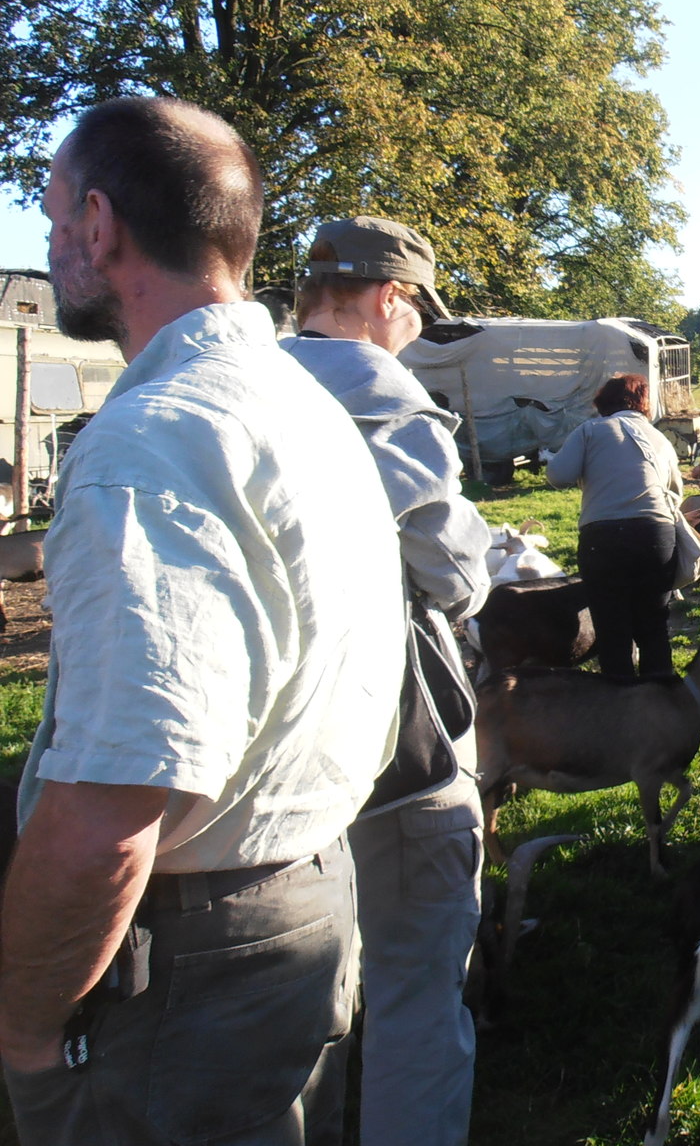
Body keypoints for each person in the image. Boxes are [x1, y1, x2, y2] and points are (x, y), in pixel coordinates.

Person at [0, 97, 405, 1144]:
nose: (50, 252)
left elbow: (110, 809)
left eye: (50, 223)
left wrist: (25, 1032)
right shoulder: (297, 404)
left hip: (188, 968)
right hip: (304, 908)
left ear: (99, 224)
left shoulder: (153, 439)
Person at [284, 215, 492, 1146]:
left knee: (298, 991)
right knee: (414, 984)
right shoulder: (380, 396)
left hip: (265, 755)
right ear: (390, 299)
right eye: (414, 315)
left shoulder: (233, 386)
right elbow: (451, 575)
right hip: (390, 746)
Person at [546, 375, 684, 679]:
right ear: (644, 404)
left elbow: (559, 475)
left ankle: (620, 701)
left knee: (612, 628)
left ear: (603, 403)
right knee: (654, 625)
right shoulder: (659, 438)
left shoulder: (590, 430)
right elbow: (676, 491)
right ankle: (659, 701)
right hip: (656, 535)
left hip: (603, 537)